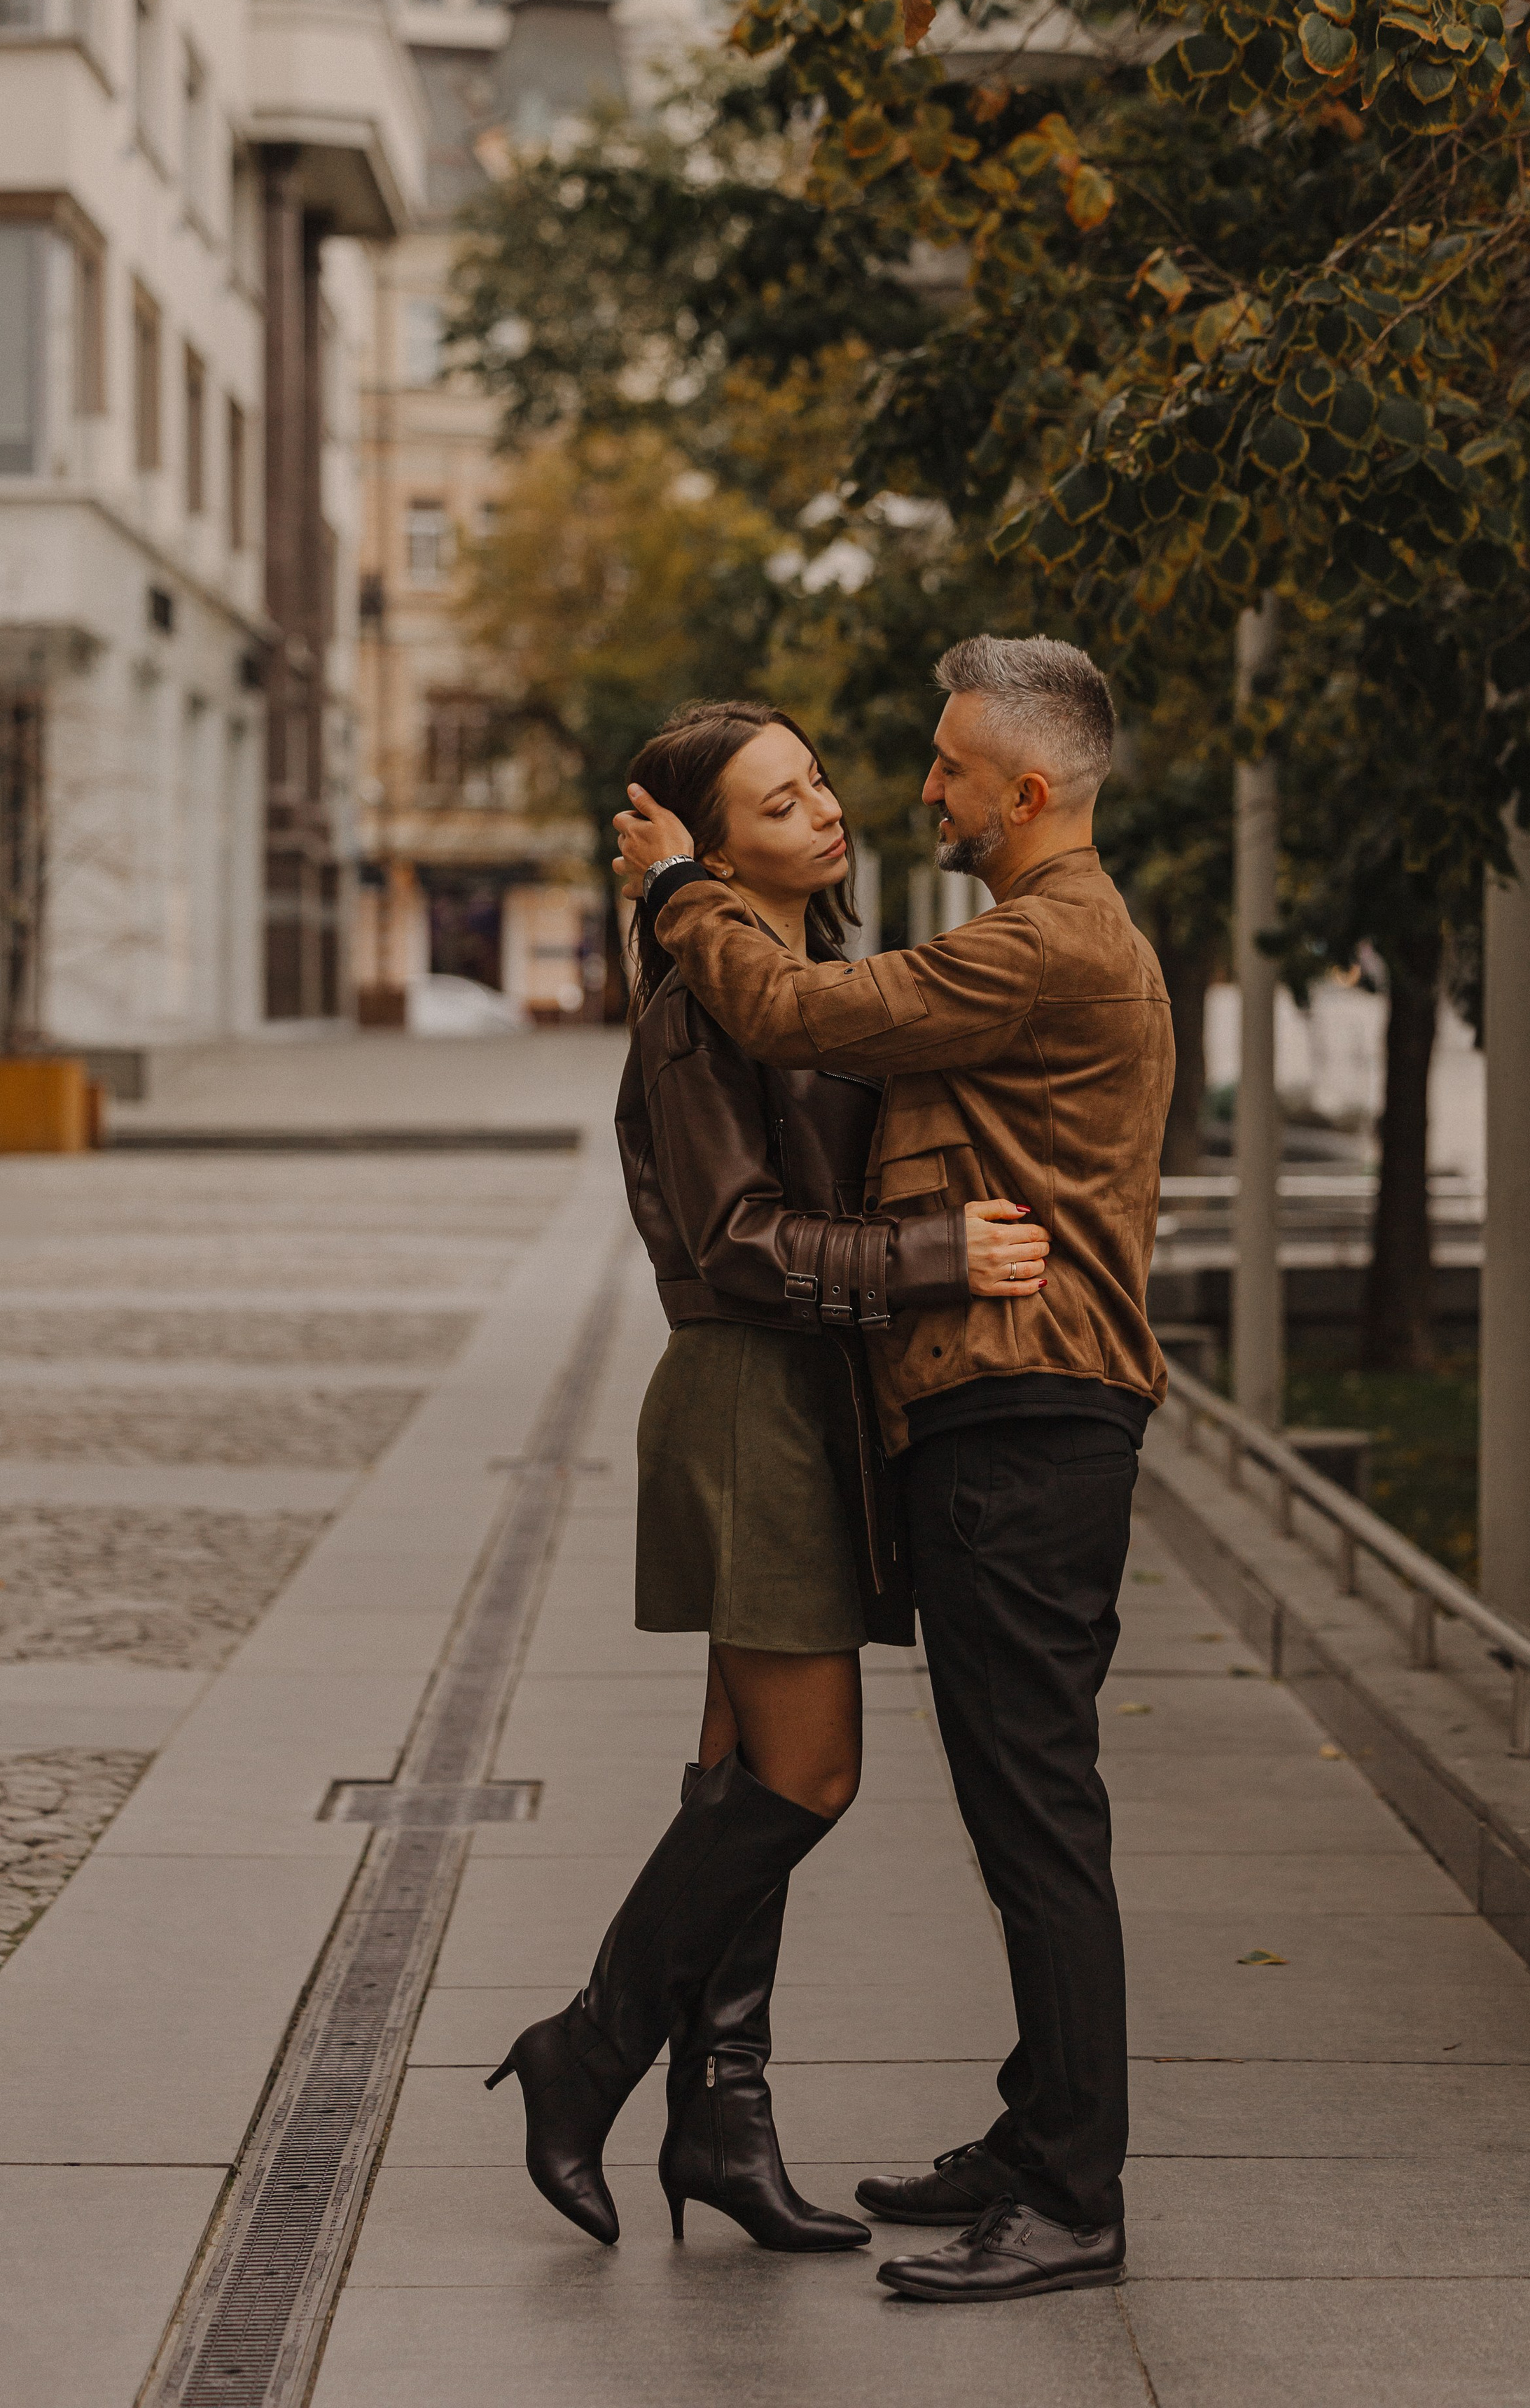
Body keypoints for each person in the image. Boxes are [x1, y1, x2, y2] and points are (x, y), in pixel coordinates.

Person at [613, 637, 1174, 2306]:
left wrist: (673, 892)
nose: (907, 787)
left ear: (1020, 790)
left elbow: (793, 1010)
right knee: (1013, 1808)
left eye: (939, 766)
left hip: (1029, 1414)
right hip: (990, 1410)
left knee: (1034, 1817)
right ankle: (1034, 2132)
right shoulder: (1030, 938)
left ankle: (1072, 2194)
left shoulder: (1043, 944)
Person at [487, 696, 1052, 2255]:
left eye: (816, 783)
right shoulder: (700, 1005)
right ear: (710, 849)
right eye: (774, 800)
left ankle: (720, 2120)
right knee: (808, 1777)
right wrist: (938, 1256)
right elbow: (737, 1243)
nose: (823, 811)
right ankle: (587, 2049)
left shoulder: (807, 987)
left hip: (809, 1401)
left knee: (742, 1778)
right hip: (752, 1399)